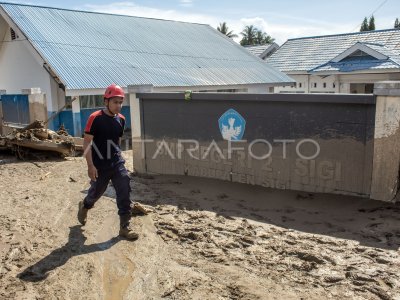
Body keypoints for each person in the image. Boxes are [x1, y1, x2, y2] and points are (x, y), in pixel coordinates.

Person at [77, 84, 138, 240]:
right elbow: (87, 143)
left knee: (124, 187)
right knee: (96, 193)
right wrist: (90, 166)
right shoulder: (95, 118)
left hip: (116, 162)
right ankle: (85, 206)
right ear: (106, 102)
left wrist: (117, 155)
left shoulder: (122, 120)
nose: (118, 105)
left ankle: (124, 227)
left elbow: (117, 141)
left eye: (120, 102)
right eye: (115, 102)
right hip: (99, 165)